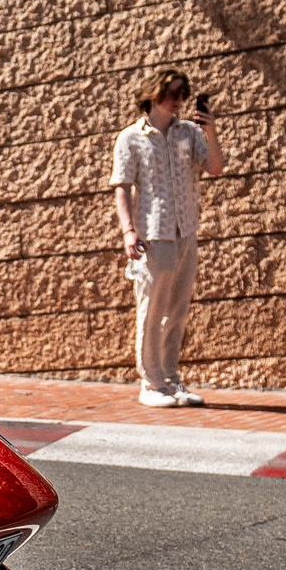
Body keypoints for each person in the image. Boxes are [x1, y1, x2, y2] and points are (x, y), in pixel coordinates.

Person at [111, 68, 224, 407]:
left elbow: (215, 167)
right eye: (172, 93)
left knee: (178, 310)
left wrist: (211, 130)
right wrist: (128, 231)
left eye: (182, 94)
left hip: (185, 230)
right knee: (151, 309)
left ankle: (172, 380)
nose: (178, 100)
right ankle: (151, 383)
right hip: (152, 235)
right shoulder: (131, 137)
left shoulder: (189, 133)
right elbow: (122, 188)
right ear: (154, 93)